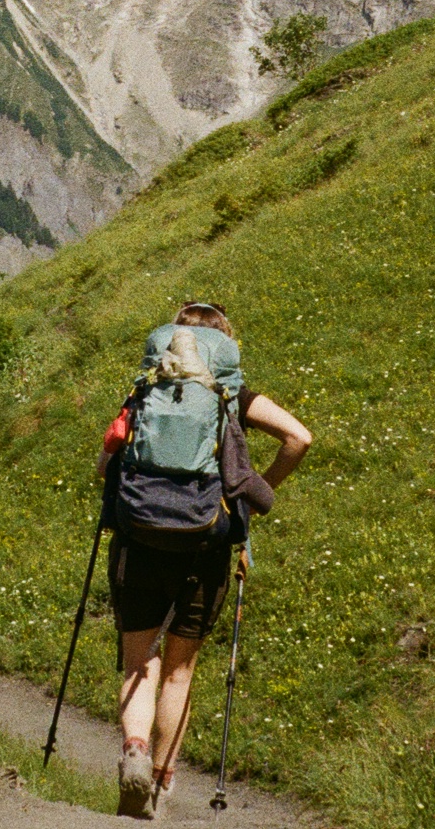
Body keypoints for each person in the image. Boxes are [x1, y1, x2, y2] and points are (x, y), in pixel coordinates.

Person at [99, 302, 309, 816]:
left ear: (171, 339)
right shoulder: (232, 396)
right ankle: (161, 787)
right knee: (178, 672)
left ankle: (135, 752)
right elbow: (299, 438)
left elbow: (105, 462)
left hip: (140, 536)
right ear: (224, 346)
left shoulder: (144, 389)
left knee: (138, 663)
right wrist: (253, 495)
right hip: (206, 541)